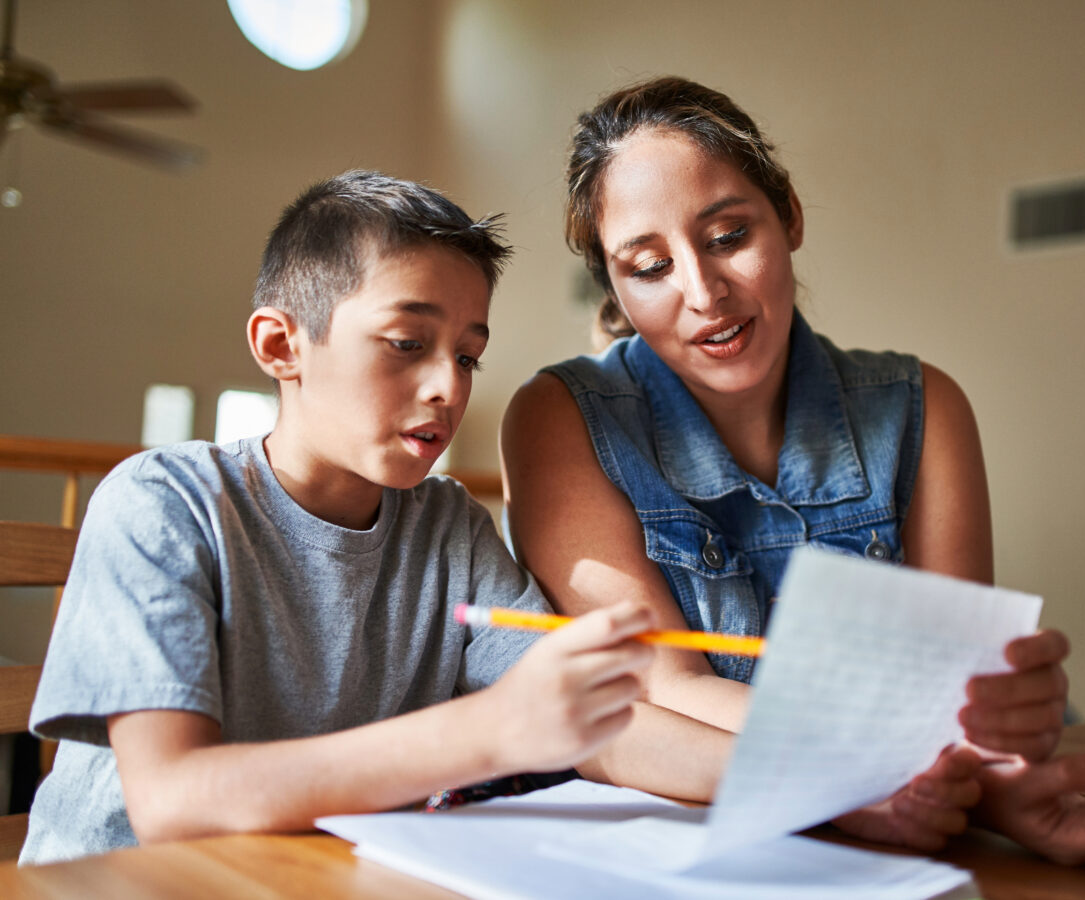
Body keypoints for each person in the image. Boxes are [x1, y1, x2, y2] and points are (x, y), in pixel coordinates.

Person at [501, 77, 1085, 864]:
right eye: (649, 266)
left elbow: (956, 702)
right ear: (614, 282)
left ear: (789, 215)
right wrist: (874, 777)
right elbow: (659, 690)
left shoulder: (924, 407)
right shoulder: (561, 418)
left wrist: (1005, 779)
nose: (703, 291)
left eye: (726, 237)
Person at [20, 171, 653, 865]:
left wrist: (780, 773)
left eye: (468, 355)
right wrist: (486, 732)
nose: (449, 386)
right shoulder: (162, 502)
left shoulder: (449, 528)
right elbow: (173, 801)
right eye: (408, 342)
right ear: (281, 346)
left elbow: (605, 731)